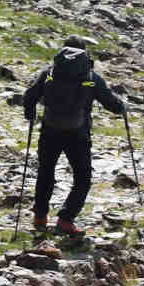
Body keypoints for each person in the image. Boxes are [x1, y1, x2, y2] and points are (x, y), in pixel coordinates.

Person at [21, 41, 126, 238]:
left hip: (50, 129)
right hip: (78, 133)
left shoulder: (50, 72)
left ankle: (40, 217)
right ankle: (66, 220)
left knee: (45, 172)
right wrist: (122, 108)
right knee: (82, 177)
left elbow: (30, 96)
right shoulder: (90, 76)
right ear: (85, 54)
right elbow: (110, 102)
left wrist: (30, 114)